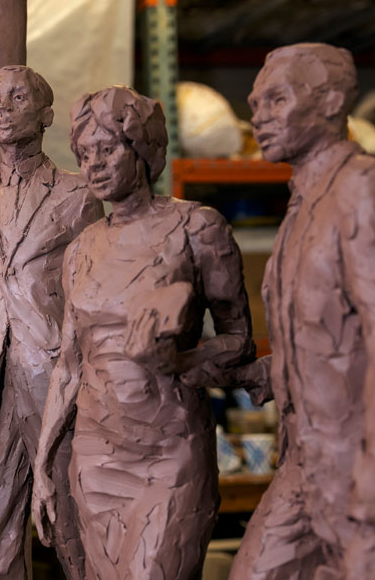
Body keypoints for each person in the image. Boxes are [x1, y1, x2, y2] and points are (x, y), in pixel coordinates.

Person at [228, 43, 375, 580]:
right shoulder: (303, 207)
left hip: (363, 470)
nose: (259, 115)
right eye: (255, 103)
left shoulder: (370, 193)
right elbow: (329, 343)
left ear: (330, 101)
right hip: (305, 463)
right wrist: (235, 368)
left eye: (277, 99)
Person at [31, 86, 257, 580]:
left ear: (143, 149)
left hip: (169, 449)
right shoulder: (83, 248)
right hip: (95, 455)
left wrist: (178, 361)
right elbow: (70, 364)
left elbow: (240, 341)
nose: (93, 164)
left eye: (107, 149)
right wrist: (44, 466)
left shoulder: (198, 228)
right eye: (84, 153)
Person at [0, 65, 102, 579]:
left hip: (56, 380)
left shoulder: (80, 196)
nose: (3, 108)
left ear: (46, 116)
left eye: (17, 98)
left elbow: (97, 291)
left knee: (69, 520)